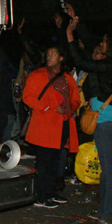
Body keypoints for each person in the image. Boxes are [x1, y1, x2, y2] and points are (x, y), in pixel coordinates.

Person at [66, 15, 112, 224]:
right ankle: (109, 209)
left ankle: (110, 212)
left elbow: (81, 61)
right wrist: (77, 22)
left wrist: (69, 36)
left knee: (110, 168)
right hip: (110, 119)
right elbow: (90, 46)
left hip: (106, 120)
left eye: (104, 42)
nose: (101, 44)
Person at [23, 45, 80, 208]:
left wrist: (68, 110)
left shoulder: (68, 78)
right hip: (45, 125)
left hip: (62, 124)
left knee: (56, 161)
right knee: (45, 162)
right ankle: (41, 196)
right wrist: (47, 107)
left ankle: (52, 193)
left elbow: (76, 100)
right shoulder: (38, 75)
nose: (49, 57)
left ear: (61, 58)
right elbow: (27, 96)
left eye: (53, 54)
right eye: (48, 54)